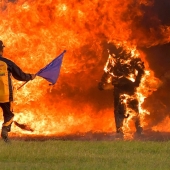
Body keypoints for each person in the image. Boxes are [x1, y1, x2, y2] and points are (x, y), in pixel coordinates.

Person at [98, 43, 145, 136]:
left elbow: (141, 70)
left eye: (112, 50)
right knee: (118, 109)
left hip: (130, 86)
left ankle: (139, 129)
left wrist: (137, 82)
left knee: (134, 107)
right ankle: (119, 131)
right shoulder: (112, 58)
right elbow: (108, 71)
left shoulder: (131, 55)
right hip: (118, 87)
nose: (110, 52)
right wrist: (102, 82)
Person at [0, 40, 36, 142]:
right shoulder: (7, 63)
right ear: (1, 50)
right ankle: (5, 129)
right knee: (9, 115)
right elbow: (20, 75)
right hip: (6, 96)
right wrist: (30, 76)